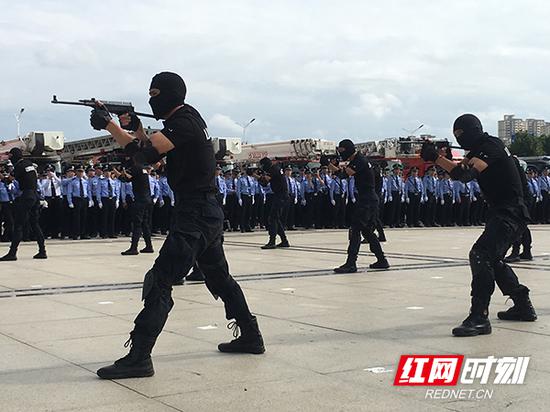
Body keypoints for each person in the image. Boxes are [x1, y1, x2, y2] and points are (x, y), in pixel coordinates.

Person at [89, 71, 264, 379]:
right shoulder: (187, 119)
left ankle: (139, 356)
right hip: (204, 211)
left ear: (169, 94)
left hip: (195, 214)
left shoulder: (183, 123)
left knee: (161, 279)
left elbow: (143, 157)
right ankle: (251, 335)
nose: (150, 99)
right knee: (220, 279)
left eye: (154, 94)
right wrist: (138, 128)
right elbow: (156, 151)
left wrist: (110, 126)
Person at [420, 114, 537, 337]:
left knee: (480, 254)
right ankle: (522, 304)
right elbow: (460, 172)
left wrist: (436, 158)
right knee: (492, 258)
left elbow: (465, 175)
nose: (460, 139)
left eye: (461, 135)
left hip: (510, 212)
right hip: (504, 211)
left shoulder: (490, 146)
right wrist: (439, 157)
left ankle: (479, 316)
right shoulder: (478, 151)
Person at [327, 140, 389, 273]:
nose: (341, 153)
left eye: (342, 150)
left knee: (355, 229)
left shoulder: (359, 160)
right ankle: (382, 260)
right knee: (366, 231)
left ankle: (351, 263)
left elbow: (343, 175)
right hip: (368, 199)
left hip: (367, 200)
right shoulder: (359, 159)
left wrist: (328, 165)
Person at [0, 148, 46, 261]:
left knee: (18, 225)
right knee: (35, 224)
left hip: (26, 196)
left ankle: (12, 253)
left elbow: (10, 179)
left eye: (10, 155)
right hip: (35, 196)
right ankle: (42, 251)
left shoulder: (19, 166)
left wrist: (3, 177)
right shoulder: (29, 164)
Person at [119, 163, 154, 255]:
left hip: (140, 200)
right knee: (145, 223)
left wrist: (120, 172)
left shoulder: (136, 168)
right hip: (147, 200)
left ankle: (134, 248)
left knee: (137, 223)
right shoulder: (144, 170)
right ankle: (149, 246)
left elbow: (125, 179)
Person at [257, 157, 290, 249]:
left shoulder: (273, 169)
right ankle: (284, 240)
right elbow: (265, 182)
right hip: (280, 195)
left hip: (281, 196)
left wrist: (255, 175)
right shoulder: (276, 168)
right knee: (275, 218)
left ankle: (272, 241)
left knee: (272, 219)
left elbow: (264, 181)